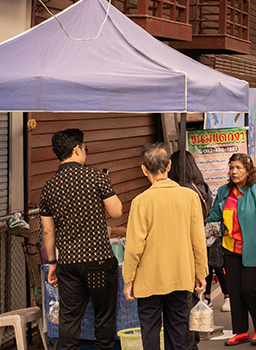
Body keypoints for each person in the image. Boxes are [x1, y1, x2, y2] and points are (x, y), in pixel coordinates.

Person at [40, 129, 123, 350]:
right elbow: (116, 212)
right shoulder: (96, 176)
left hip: (68, 265)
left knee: (69, 319)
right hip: (97, 262)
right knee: (103, 316)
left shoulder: (49, 187)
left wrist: (52, 264)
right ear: (77, 149)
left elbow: (48, 232)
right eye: (85, 148)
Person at [123, 144, 208, 350]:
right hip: (181, 274)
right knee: (178, 330)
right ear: (169, 165)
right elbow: (198, 239)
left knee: (150, 330)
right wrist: (201, 273)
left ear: (144, 169)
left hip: (149, 278)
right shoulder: (190, 197)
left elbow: (134, 246)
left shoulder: (140, 202)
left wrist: (128, 279)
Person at [207, 153, 256, 346]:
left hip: (254, 250)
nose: (234, 172)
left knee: (249, 289)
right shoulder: (224, 191)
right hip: (230, 249)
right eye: (232, 168)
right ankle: (241, 331)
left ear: (248, 170)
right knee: (234, 292)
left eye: (239, 168)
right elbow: (214, 217)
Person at [168, 150, 217, 349]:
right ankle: (192, 341)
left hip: (182, 245)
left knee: (182, 303)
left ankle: (187, 343)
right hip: (198, 244)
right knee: (192, 295)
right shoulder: (202, 187)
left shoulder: (183, 191)